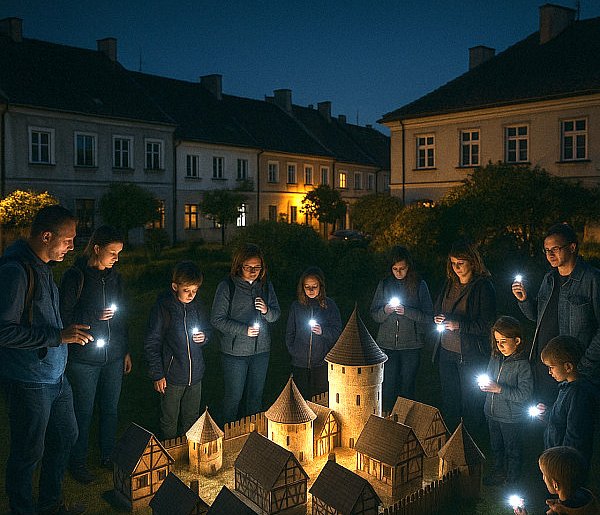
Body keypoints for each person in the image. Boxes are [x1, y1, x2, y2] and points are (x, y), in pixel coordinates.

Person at [0, 205, 93, 515]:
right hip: (28, 379)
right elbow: (4, 331)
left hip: (55, 376)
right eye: (67, 240)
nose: (72, 246)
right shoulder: (16, 272)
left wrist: (63, 334)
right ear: (46, 236)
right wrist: (57, 336)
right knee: (28, 452)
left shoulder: (42, 267)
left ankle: (50, 504)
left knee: (67, 434)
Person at [59, 225, 131, 484]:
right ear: (97, 248)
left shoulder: (115, 278)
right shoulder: (75, 277)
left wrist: (125, 350)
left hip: (113, 357)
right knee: (83, 412)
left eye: (119, 253)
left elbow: (122, 317)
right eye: (112, 253)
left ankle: (108, 455)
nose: (116, 258)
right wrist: (93, 316)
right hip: (83, 360)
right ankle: (77, 462)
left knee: (110, 409)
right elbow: (63, 315)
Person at [512, 223, 600, 406]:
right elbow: (537, 317)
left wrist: (584, 364)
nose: (550, 254)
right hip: (545, 367)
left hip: (573, 369)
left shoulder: (592, 279)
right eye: (546, 250)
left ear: (572, 247)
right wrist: (524, 300)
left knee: (571, 417)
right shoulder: (549, 279)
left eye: (555, 249)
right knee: (545, 416)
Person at [211, 243, 280, 424]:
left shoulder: (265, 286)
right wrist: (244, 330)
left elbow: (276, 315)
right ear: (239, 265)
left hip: (261, 352)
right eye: (248, 267)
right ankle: (228, 432)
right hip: (235, 354)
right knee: (233, 397)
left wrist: (266, 310)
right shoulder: (227, 287)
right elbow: (217, 319)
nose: (253, 271)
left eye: (257, 267)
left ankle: (252, 433)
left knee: (255, 396)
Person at [433, 240, 496, 432]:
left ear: (472, 262)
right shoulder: (449, 284)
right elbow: (439, 307)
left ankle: (471, 439)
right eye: (453, 263)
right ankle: (452, 438)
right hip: (446, 351)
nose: (456, 267)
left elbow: (487, 325)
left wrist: (460, 325)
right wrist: (439, 317)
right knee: (450, 399)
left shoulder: (483, 287)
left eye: (460, 263)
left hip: (470, 354)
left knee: (471, 400)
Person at [144, 261, 211, 440]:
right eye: (186, 290)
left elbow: (207, 329)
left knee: (191, 418)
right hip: (172, 377)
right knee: (169, 419)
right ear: (175, 287)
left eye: (195, 290)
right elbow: (152, 342)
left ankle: (189, 451)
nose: (191, 295)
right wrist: (157, 374)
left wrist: (204, 337)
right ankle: (169, 451)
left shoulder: (197, 307)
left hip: (195, 375)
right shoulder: (164, 308)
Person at [370, 245, 433, 409]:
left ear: (408, 267)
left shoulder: (419, 285)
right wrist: (385, 311)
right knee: (388, 385)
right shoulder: (385, 284)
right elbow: (374, 315)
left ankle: (406, 418)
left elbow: (428, 316)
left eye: (402, 268)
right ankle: (387, 417)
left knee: (407, 386)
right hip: (387, 345)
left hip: (411, 346)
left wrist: (407, 311)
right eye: (395, 269)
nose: (398, 272)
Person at [479, 316, 533, 487]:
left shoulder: (522, 365)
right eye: (497, 341)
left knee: (512, 450)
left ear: (517, 341)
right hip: (492, 413)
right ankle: (498, 473)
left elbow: (524, 394)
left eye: (503, 341)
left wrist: (500, 389)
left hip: (510, 418)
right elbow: (489, 376)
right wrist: (485, 385)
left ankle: (512, 480)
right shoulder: (495, 357)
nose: (499, 346)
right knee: (496, 447)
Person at [535, 336, 596, 473]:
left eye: (551, 367)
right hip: (556, 456)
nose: (549, 372)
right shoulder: (566, 387)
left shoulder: (579, 394)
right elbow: (562, 416)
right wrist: (547, 413)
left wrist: (559, 465)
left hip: (564, 465)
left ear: (568, 367)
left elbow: (575, 436)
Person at [286, 266, 342, 400]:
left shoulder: (329, 306)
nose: (310, 290)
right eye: (307, 287)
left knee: (319, 398)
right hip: (300, 363)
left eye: (314, 286)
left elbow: (337, 331)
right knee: (300, 398)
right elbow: (290, 332)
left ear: (321, 286)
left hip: (321, 362)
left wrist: (323, 331)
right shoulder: (296, 306)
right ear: (302, 288)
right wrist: (294, 351)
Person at [514, 446, 599, 515]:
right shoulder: (588, 499)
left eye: (544, 474)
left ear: (555, 485)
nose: (543, 478)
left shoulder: (559, 513)